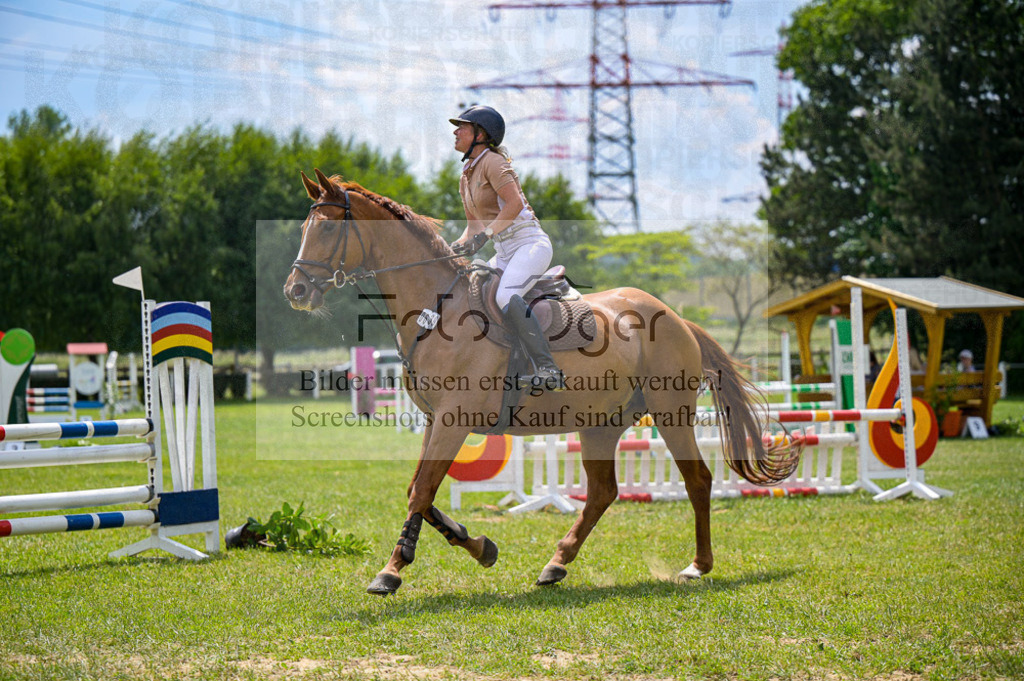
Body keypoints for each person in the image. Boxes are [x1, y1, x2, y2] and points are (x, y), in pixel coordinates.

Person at [448, 105, 566, 392]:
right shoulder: (466, 174)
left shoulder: (493, 163)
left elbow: (514, 205)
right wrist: (453, 249)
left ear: (480, 134)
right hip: (504, 252)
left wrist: (486, 234)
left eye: (461, 127)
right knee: (467, 289)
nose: (455, 131)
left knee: (505, 295)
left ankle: (548, 367)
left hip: (529, 244)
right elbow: (473, 228)